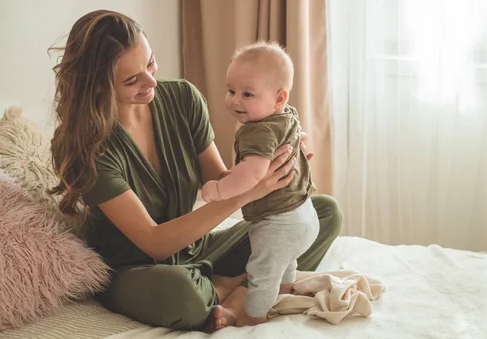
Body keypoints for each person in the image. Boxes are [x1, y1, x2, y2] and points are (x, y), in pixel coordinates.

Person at [47, 9, 342, 333]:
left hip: (195, 247)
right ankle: (235, 286)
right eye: (132, 80)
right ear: (97, 86)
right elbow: (154, 243)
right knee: (182, 296)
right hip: (137, 269)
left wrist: (275, 167)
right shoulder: (86, 149)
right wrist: (254, 190)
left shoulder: (183, 98)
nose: (151, 82)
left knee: (321, 213)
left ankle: (235, 292)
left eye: (150, 63)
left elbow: (217, 180)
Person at [200, 41, 319, 326]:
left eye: (248, 94)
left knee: (263, 270)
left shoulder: (258, 131)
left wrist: (218, 189)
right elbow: (297, 134)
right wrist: (297, 143)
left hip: (278, 222)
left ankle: (253, 318)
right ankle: (284, 292)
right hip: (304, 215)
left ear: (279, 97)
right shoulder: (287, 114)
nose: (235, 101)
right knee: (284, 261)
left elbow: (252, 174)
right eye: (231, 91)